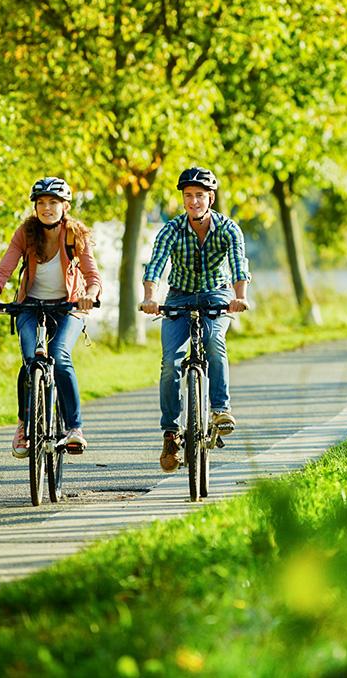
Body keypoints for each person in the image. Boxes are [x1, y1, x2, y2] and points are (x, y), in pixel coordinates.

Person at [0, 177, 102, 457]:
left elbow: (92, 276)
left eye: (53, 202)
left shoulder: (75, 235)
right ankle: (25, 424)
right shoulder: (26, 232)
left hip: (69, 306)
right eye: (41, 203)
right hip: (31, 306)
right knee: (30, 359)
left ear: (65, 206)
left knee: (59, 356)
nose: (46, 208)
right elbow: (5, 268)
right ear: (35, 207)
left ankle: (74, 428)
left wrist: (90, 294)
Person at [140, 166, 251, 473]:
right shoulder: (172, 229)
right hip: (178, 296)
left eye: (199, 196)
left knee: (215, 340)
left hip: (217, 294)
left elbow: (239, 264)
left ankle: (219, 410)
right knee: (170, 362)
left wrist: (239, 297)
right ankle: (171, 434)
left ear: (210, 198)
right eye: (188, 196)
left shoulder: (229, 229)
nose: (193, 202)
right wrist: (151, 297)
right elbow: (156, 265)